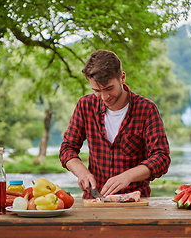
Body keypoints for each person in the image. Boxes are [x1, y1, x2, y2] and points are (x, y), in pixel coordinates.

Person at [59, 49, 170, 199]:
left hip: (135, 202)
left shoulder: (146, 109)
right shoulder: (85, 106)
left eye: (109, 88)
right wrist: (82, 172)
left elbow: (161, 157)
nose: (104, 97)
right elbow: (67, 148)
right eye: (97, 90)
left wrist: (128, 176)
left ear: (122, 77)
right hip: (95, 201)